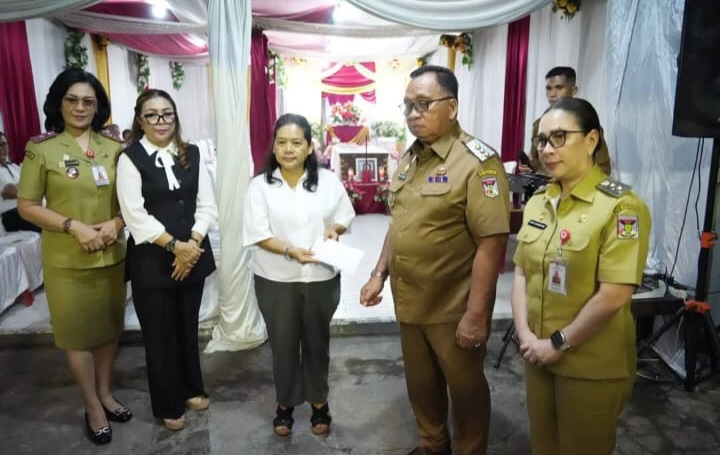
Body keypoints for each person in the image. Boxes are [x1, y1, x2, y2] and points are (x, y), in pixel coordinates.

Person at [360, 65, 510, 455]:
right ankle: (432, 445)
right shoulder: (411, 158)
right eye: (408, 105)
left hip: (452, 306)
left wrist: (476, 315)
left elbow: (491, 245)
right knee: (421, 385)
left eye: (424, 104)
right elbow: (400, 223)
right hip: (411, 301)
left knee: (465, 390)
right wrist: (379, 273)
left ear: (452, 106)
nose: (413, 114)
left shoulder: (477, 163)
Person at [511, 97, 650, 455]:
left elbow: (614, 295)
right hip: (537, 355)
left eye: (559, 137)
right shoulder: (539, 202)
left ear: (591, 140)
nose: (547, 149)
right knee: (543, 446)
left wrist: (557, 344)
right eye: (542, 140)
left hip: (589, 365)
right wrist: (525, 335)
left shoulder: (621, 207)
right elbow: (522, 272)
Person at [16, 68, 130, 445]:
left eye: (88, 102)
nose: (80, 108)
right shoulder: (42, 148)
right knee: (78, 336)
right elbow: (27, 205)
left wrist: (117, 222)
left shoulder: (114, 148)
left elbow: (133, 200)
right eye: (72, 100)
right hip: (67, 261)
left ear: (98, 107)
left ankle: (106, 393)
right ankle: (92, 405)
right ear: (59, 103)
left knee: (108, 330)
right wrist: (72, 226)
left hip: (111, 256)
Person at [243, 113, 355, 437]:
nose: (288, 149)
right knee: (283, 344)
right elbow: (258, 233)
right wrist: (290, 250)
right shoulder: (260, 186)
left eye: (296, 142)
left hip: (320, 276)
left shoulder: (327, 181)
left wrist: (335, 229)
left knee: (317, 342)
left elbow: (344, 214)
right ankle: (285, 403)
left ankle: (319, 401)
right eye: (282, 142)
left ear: (309, 147)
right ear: (274, 147)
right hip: (275, 278)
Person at [116, 89, 217, 431]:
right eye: (152, 114)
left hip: (193, 253)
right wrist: (176, 247)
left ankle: (191, 388)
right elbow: (135, 215)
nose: (161, 121)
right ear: (140, 120)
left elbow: (207, 205)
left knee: (187, 328)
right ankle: (168, 402)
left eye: (167, 114)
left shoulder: (192, 153)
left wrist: (193, 243)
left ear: (175, 117)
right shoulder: (130, 159)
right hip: (153, 259)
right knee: (160, 335)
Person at [521, 67, 611, 175]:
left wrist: (569, 178)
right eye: (548, 88)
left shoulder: (587, 123)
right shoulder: (539, 124)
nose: (552, 94)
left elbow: (605, 168)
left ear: (574, 90)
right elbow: (535, 161)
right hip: (543, 183)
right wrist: (527, 165)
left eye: (559, 88)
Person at [1, 132, 39, 232]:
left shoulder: (14, 167)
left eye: (3, 144)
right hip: (11, 215)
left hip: (28, 209)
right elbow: (12, 192)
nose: (1, 148)